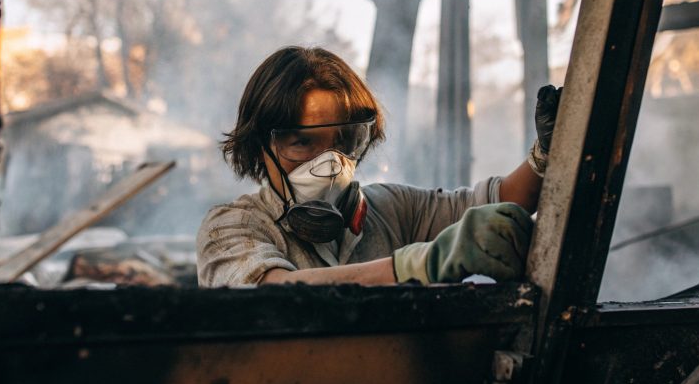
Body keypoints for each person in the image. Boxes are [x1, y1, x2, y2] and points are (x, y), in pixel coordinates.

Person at [197, 46, 561, 287]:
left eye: (343, 142)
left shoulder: (391, 210)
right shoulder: (233, 227)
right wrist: (416, 266)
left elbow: (505, 199)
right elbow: (271, 296)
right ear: (261, 146)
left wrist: (547, 153)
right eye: (303, 143)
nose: (330, 164)